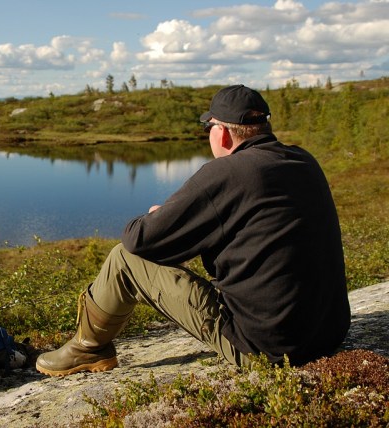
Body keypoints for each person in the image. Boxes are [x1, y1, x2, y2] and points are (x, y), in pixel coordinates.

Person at [36, 84, 351, 376]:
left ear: (222, 133)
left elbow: (138, 239)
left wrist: (160, 219)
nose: (208, 135)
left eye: (208, 128)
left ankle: (88, 348)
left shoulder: (227, 172)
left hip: (264, 348)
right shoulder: (303, 160)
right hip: (328, 334)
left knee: (124, 260)